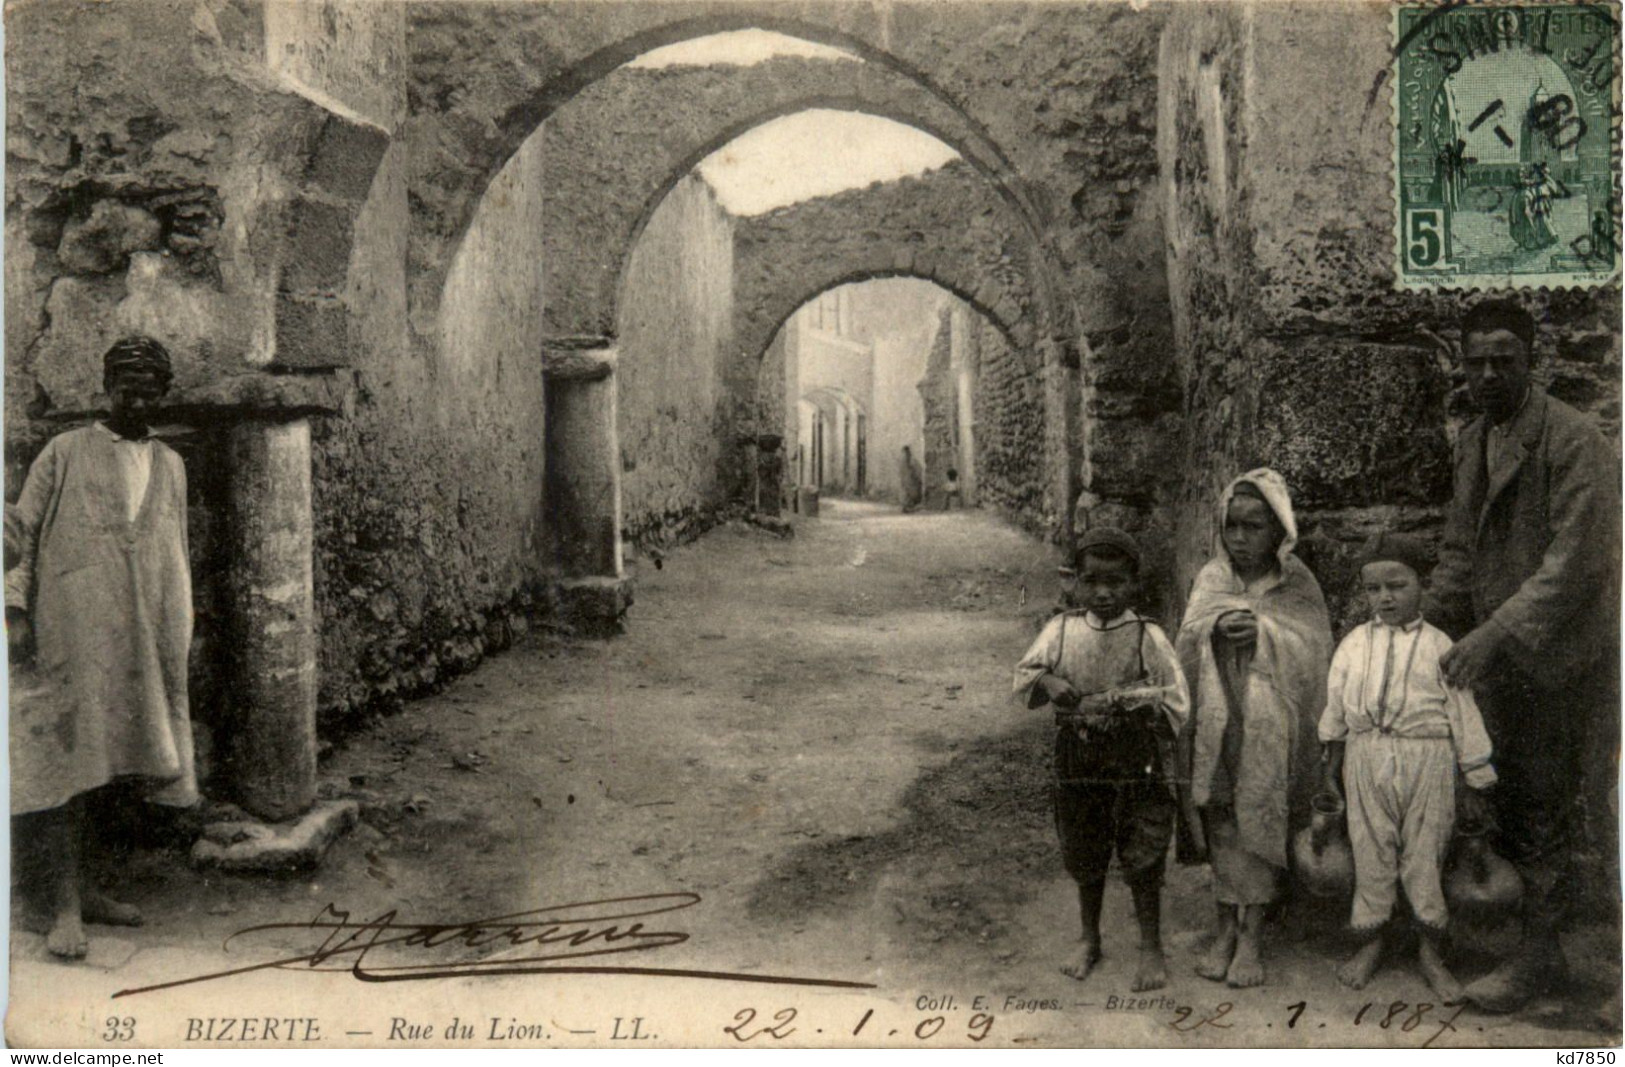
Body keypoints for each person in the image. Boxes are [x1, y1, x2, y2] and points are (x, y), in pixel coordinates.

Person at [1428, 299, 1621, 1013]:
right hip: (1511, 662)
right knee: (1522, 806)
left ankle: (1594, 972)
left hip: (1572, 657)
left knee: (1584, 809)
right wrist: (1413, 631)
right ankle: (1537, 956)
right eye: (1474, 361)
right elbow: (1456, 549)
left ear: (1529, 361)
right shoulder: (1474, 439)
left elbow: (1571, 566)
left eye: (1502, 359)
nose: (1486, 373)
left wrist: (1490, 634)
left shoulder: (1575, 443)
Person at [6, 336, 198, 959]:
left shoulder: (171, 463)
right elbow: (18, 536)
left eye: (149, 389)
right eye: (126, 387)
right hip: (71, 630)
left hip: (140, 636)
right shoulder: (64, 451)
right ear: (106, 387)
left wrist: (177, 630)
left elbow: (174, 551)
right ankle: (57, 906)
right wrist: (13, 611)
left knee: (114, 763)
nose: (136, 399)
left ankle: (88, 890)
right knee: (65, 764)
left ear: (163, 394)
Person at [1318, 532, 1496, 1001]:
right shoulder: (1354, 644)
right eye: (1374, 589)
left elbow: (1463, 716)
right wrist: (1330, 769)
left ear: (1423, 584)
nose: (1385, 597)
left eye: (1396, 585)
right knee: (1370, 850)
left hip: (1428, 761)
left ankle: (1430, 953)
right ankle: (1372, 943)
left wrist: (1473, 781)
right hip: (1365, 759)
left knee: (1425, 855)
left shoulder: (1442, 646)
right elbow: (1336, 708)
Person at [1014, 527, 1189, 992]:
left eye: (1116, 582)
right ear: (1075, 583)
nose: (1104, 593)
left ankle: (1150, 947)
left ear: (1134, 582)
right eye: (1092, 582)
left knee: (1143, 847)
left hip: (1135, 756)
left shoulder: (1146, 634)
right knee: (1085, 844)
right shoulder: (1062, 629)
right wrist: (1050, 684)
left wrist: (1139, 702)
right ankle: (1089, 937)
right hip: (1079, 754)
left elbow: (1176, 697)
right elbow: (1026, 675)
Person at [1177, 469, 1332, 988]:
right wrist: (1215, 629)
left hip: (1270, 724)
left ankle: (1253, 934)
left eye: (1253, 527)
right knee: (1220, 814)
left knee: (1261, 811)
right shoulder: (1212, 581)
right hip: (1220, 720)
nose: (1240, 539)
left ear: (1279, 530)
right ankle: (1226, 926)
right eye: (1231, 527)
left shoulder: (1297, 584)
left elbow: (1314, 652)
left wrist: (1265, 632)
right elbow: (1188, 636)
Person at [899, 446, 923, 513]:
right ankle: (907, 507)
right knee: (907, 493)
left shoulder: (912, 460)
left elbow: (916, 469)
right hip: (908, 480)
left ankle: (909, 506)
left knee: (911, 493)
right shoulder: (904, 461)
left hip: (911, 480)